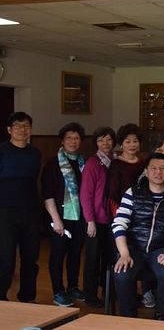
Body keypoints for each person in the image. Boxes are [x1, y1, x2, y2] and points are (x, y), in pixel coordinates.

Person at [111, 153, 164, 320]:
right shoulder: (133, 192)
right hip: (132, 248)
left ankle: (161, 315)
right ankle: (128, 317)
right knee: (122, 273)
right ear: (146, 171)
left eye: (162, 168)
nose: (158, 172)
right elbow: (119, 223)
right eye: (153, 168)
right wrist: (124, 253)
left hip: (160, 249)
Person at [42, 122, 87, 307]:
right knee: (58, 254)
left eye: (77, 138)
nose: (73, 141)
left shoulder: (85, 163)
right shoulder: (53, 164)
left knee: (75, 254)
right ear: (62, 140)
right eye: (69, 138)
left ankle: (73, 287)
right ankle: (58, 291)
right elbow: (47, 194)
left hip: (80, 217)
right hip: (59, 217)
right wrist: (56, 220)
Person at [0, 112, 42, 303]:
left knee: (30, 260)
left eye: (26, 126)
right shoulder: (2, 151)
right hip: (5, 213)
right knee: (5, 260)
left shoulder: (35, 153)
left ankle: (27, 298)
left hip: (31, 212)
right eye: (17, 125)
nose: (22, 129)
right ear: (9, 130)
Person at [80, 126, 116, 307]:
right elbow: (85, 194)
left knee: (110, 258)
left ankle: (108, 292)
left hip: (112, 220)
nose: (105, 143)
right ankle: (90, 295)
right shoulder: (93, 163)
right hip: (96, 220)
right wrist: (90, 221)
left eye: (108, 139)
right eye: (101, 140)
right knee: (93, 260)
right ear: (96, 143)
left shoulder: (114, 161)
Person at [107, 124, 146, 218]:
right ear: (121, 144)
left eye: (135, 141)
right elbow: (112, 193)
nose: (132, 145)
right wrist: (119, 215)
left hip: (141, 211)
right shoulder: (116, 164)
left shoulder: (143, 163)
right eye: (127, 142)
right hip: (121, 211)